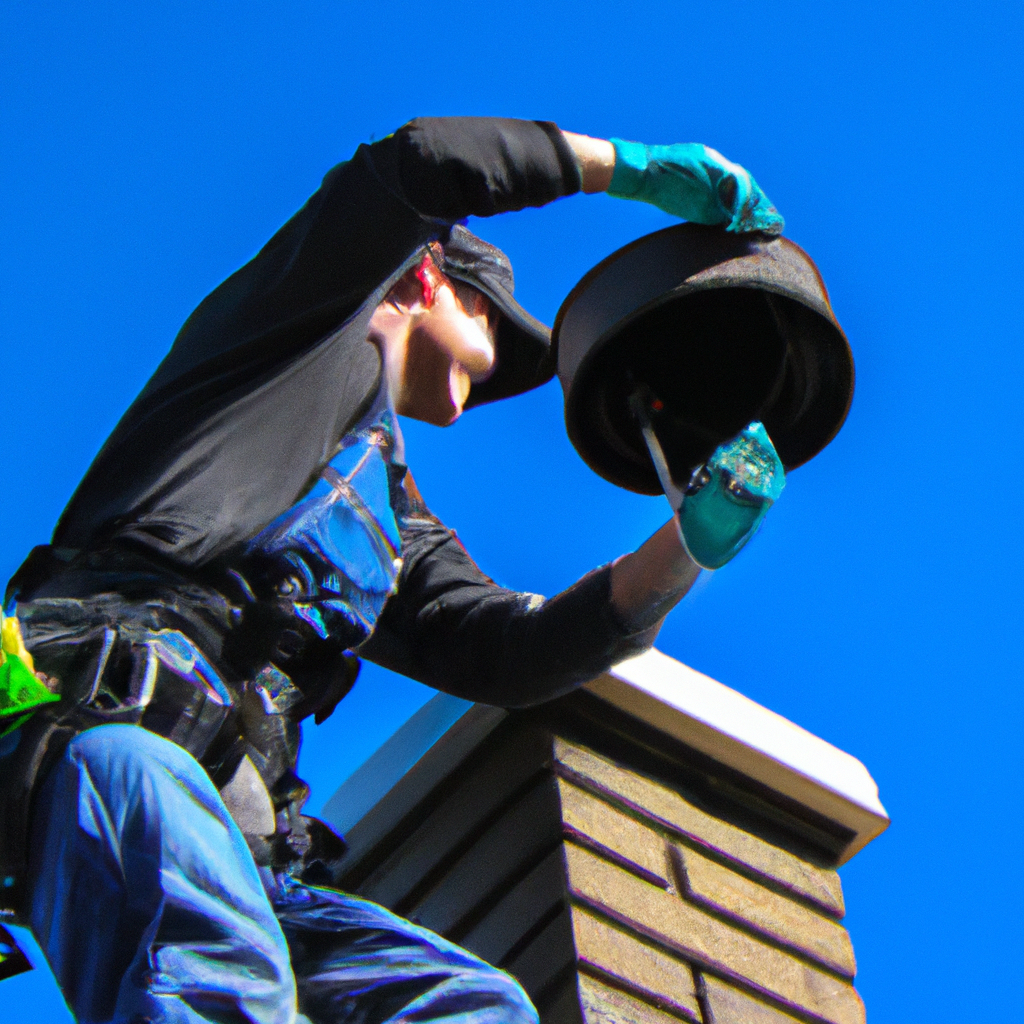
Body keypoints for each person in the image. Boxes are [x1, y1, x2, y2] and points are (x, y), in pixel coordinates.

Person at [0, 118, 784, 1024]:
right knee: (221, 985)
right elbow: (423, 164)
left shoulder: (383, 516)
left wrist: (684, 547)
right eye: (489, 317)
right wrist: (635, 172)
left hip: (245, 848)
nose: (495, 371)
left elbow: (509, 651)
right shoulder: (289, 332)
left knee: (477, 1009)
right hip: (106, 744)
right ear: (424, 277)